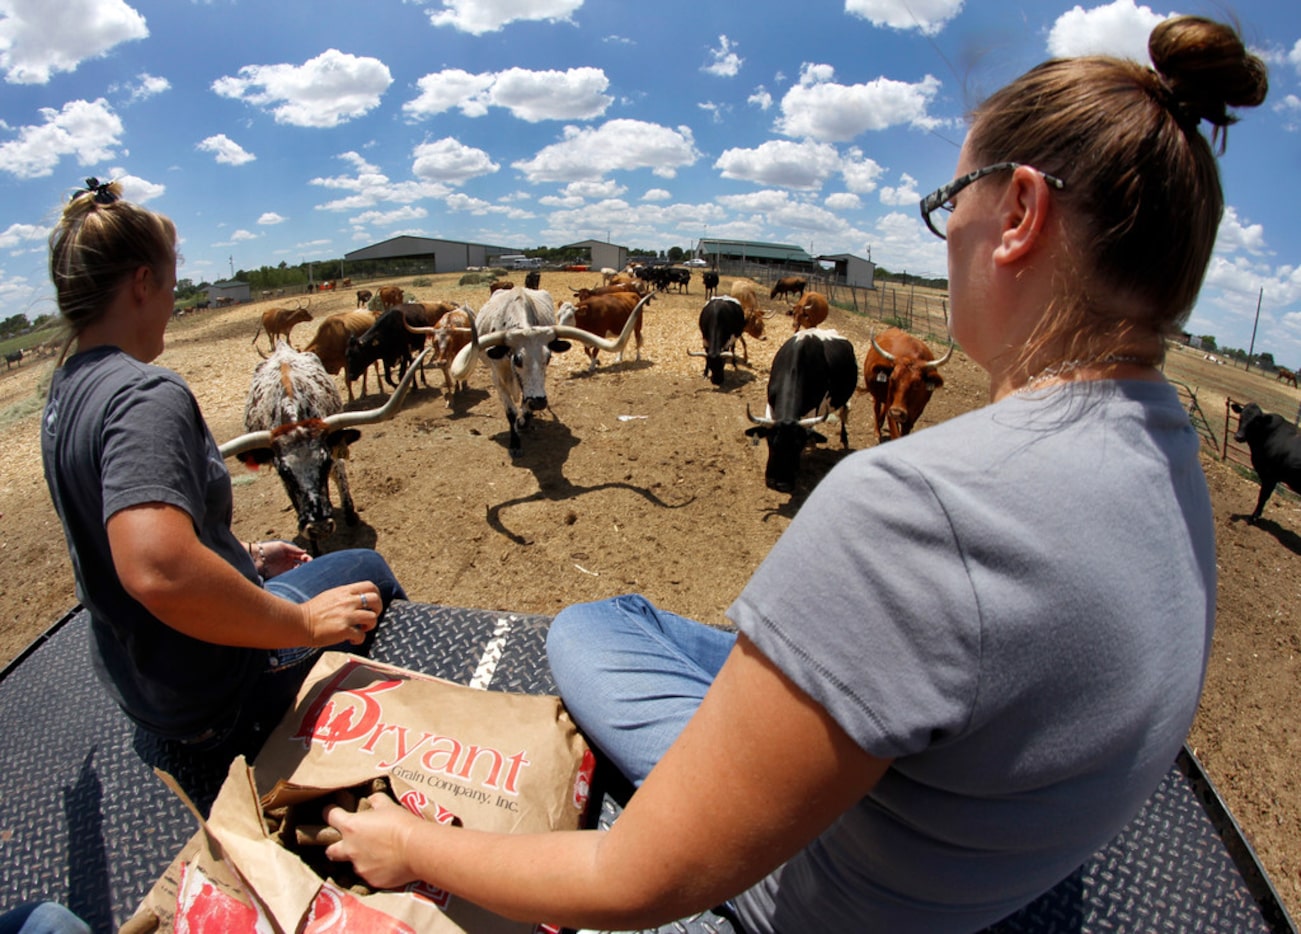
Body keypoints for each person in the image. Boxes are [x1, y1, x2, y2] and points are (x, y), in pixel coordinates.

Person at [323, 16, 1267, 932]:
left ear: (1017, 213)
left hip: (823, 890)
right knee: (634, 625)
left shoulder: (918, 505)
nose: (945, 237)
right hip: (981, 850)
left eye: (948, 204)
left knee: (591, 628)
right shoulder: (1170, 461)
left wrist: (411, 843)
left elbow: (636, 880)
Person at [42, 179, 407, 760]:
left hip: (142, 685)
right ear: (142, 284)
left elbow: (118, 533)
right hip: (217, 687)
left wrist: (247, 553)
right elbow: (158, 568)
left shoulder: (66, 391)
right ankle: (385, 742)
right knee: (366, 567)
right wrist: (306, 625)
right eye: (171, 284)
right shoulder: (142, 393)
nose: (171, 300)